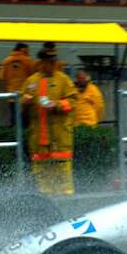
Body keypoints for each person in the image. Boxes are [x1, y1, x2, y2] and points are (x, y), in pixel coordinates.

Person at [20, 47, 78, 196]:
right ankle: (46, 200)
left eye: (54, 61)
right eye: (49, 62)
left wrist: (57, 104)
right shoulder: (31, 82)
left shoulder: (63, 80)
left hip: (60, 137)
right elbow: (20, 106)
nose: (52, 65)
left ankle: (67, 200)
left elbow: (73, 100)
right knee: (41, 173)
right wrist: (24, 103)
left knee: (63, 172)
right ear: (41, 62)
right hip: (39, 139)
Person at [0, 43, 34, 126]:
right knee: (25, 118)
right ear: (22, 49)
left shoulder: (6, 61)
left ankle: (15, 136)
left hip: (12, 95)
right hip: (25, 95)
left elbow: (1, 77)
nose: (29, 52)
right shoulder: (28, 60)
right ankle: (24, 137)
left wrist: (10, 84)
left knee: (14, 117)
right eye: (28, 50)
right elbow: (33, 77)